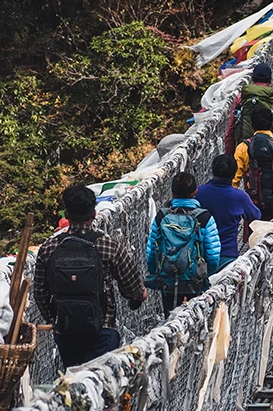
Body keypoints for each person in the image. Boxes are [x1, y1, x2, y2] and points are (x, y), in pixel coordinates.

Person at [33, 184, 146, 369]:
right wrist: (139, 296)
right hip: (103, 330)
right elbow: (132, 287)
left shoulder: (49, 249)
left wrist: (55, 318)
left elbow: (39, 291)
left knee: (74, 382)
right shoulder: (109, 246)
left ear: (66, 214)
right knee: (101, 384)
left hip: (65, 331)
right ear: (93, 214)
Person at [146, 171, 221, 314]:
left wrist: (155, 273)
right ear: (195, 191)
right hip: (195, 282)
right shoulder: (204, 217)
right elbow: (213, 255)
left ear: (173, 193)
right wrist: (206, 275)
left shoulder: (162, 216)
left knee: (170, 322)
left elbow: (151, 250)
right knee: (196, 319)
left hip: (167, 281)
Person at [196, 154, 261, 268]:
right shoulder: (239, 197)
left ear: (213, 171)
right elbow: (256, 215)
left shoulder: (198, 192)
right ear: (234, 173)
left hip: (201, 254)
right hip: (227, 256)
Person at [223, 60, 273, 155]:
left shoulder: (241, 98)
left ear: (252, 78)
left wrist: (230, 157)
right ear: (270, 80)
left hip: (245, 152)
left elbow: (230, 131)